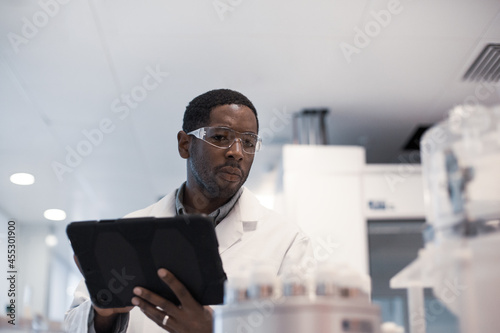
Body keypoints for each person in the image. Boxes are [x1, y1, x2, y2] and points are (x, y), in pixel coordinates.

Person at [64, 89, 312, 333]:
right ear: (185, 144)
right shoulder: (128, 230)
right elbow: (73, 324)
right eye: (220, 137)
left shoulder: (286, 242)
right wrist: (103, 316)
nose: (237, 152)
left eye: (248, 142)